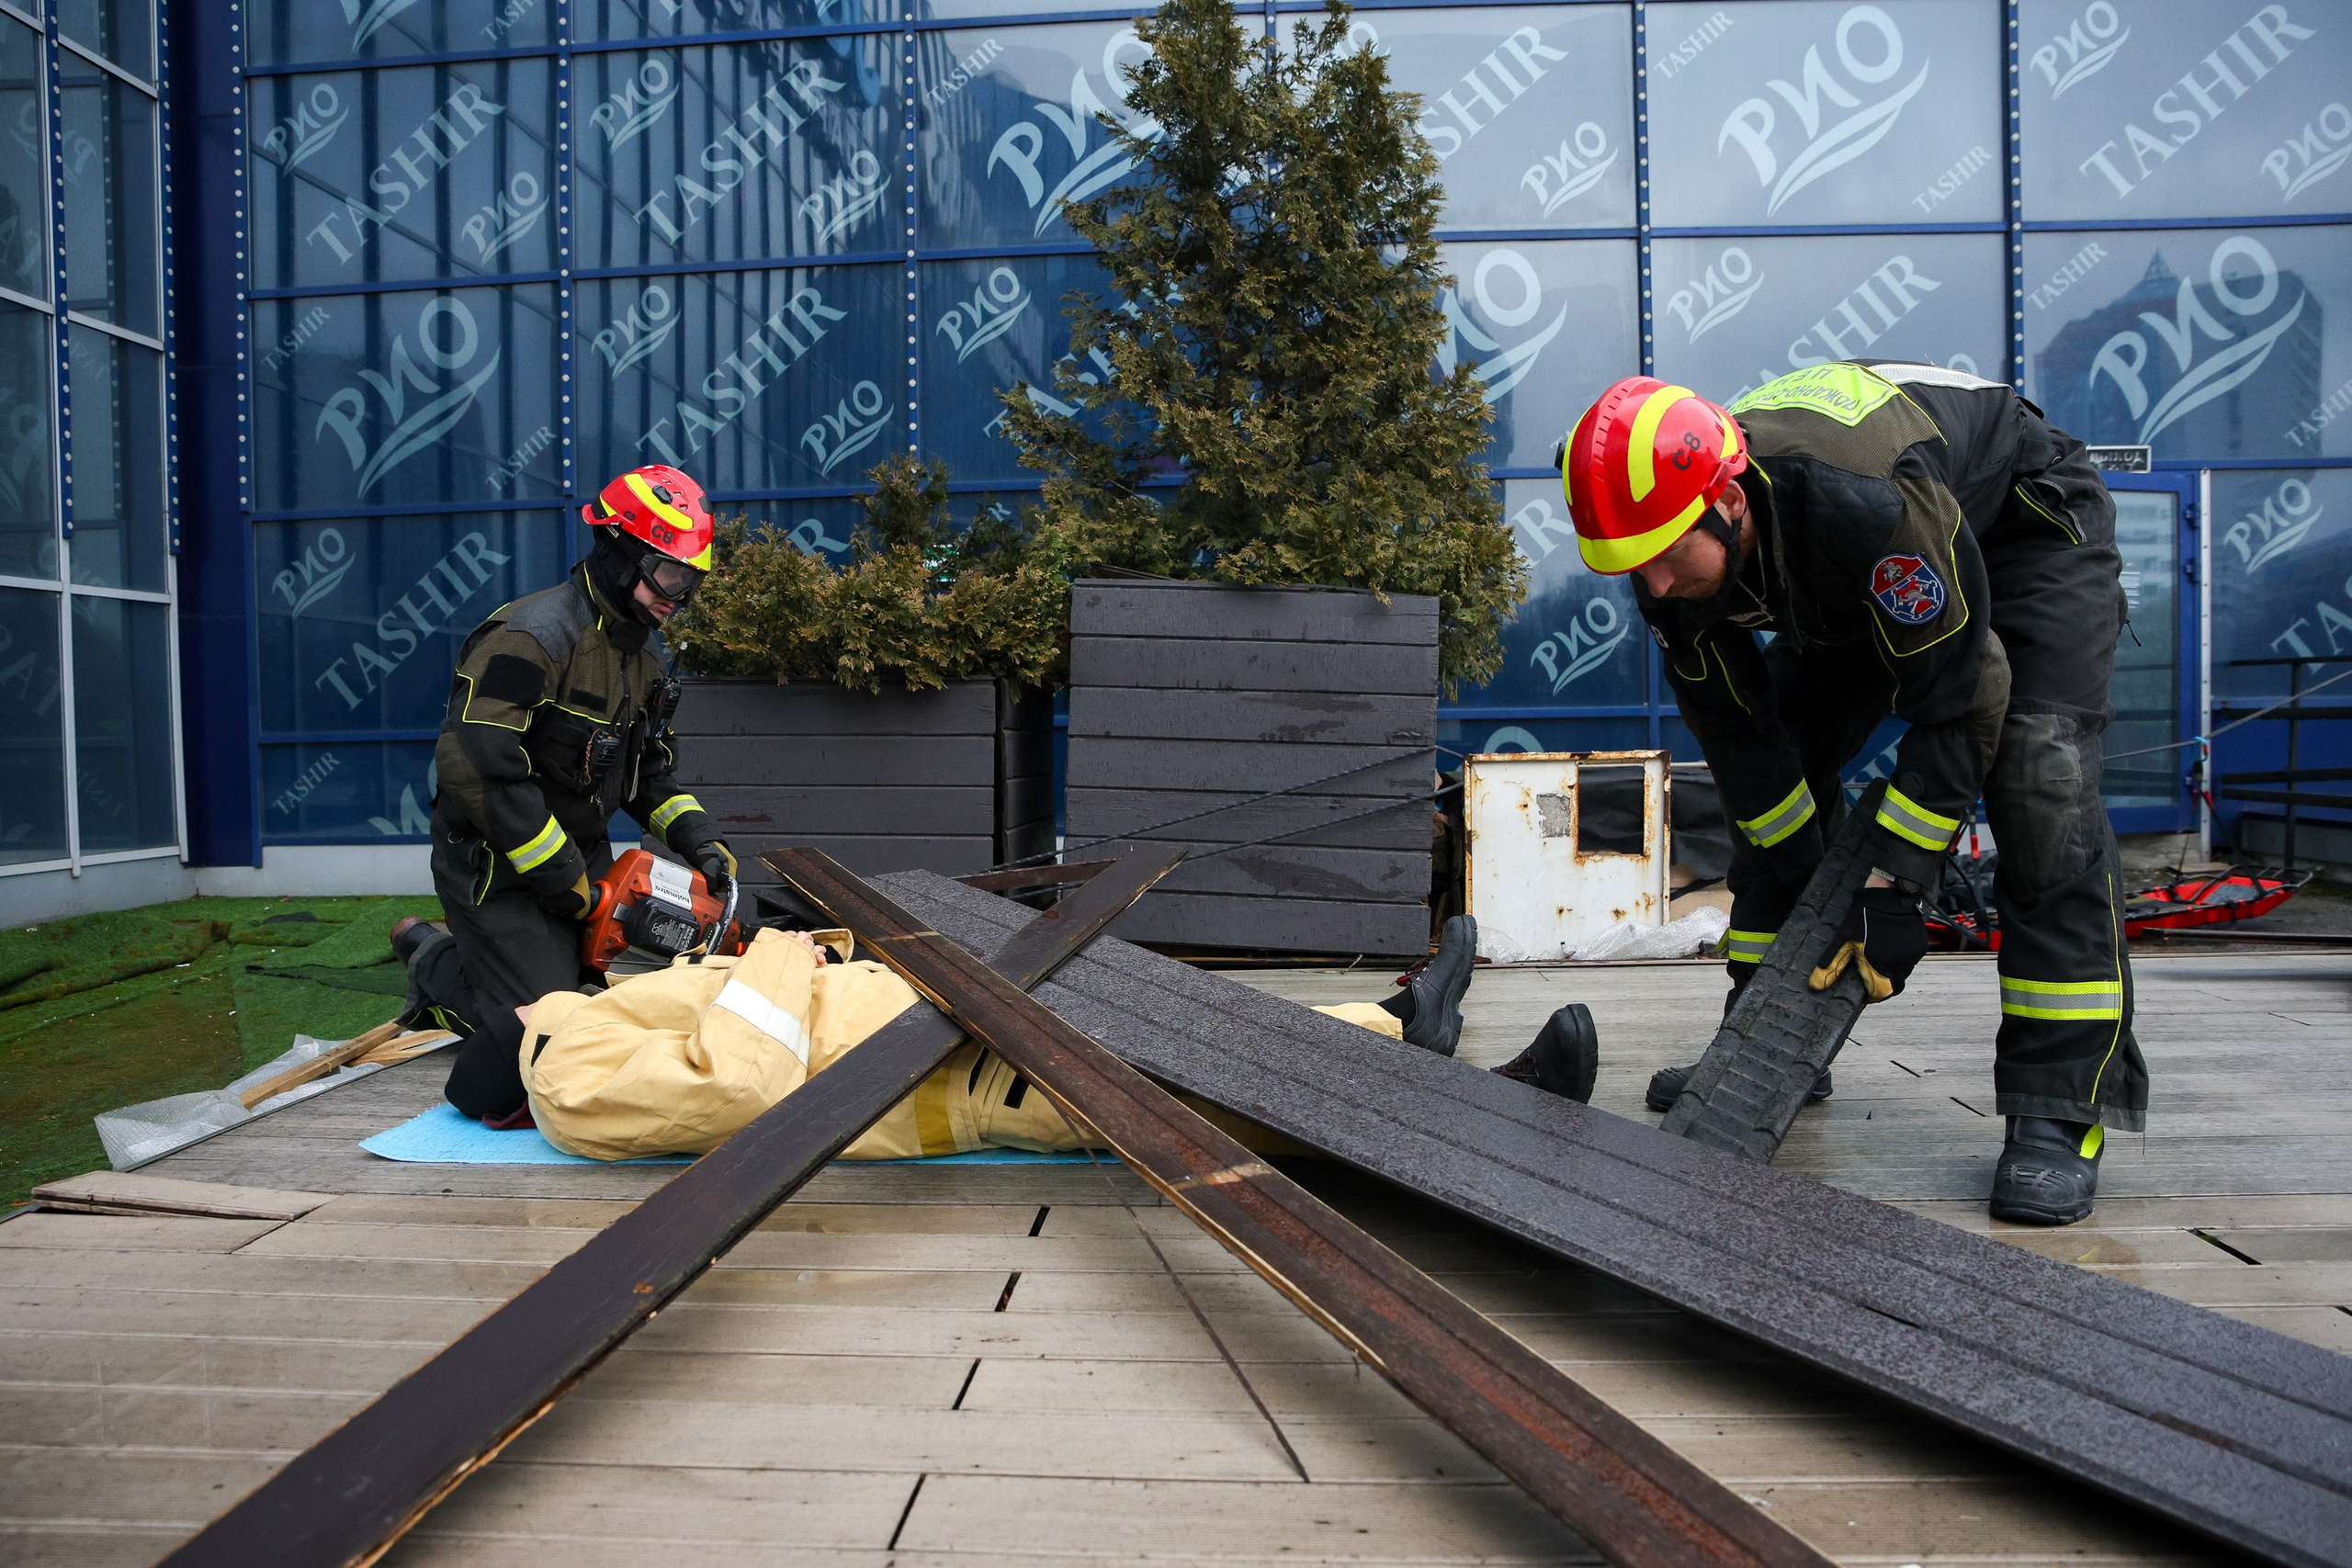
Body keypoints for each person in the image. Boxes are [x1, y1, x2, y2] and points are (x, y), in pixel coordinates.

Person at [1557, 363, 2143, 1225]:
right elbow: (1745, 752)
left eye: (1668, 559)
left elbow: (1964, 693)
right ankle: (1767, 1031)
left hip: (2024, 527)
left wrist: (1891, 886)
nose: (1655, 588)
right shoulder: (1665, 549)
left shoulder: (1865, 505)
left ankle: (2059, 1106)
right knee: (1785, 762)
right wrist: (1806, 915)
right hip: (1843, 574)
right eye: (1633, 567)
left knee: (2035, 775)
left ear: (1728, 502)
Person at [511, 915, 1494, 1160]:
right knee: (1172, 1101)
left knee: (1178, 1028)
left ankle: (1399, 1026)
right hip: (919, 1083)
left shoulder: (582, 1022)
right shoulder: (567, 1079)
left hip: (920, 1025)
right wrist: (779, 956)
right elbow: (740, 1087)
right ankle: (1429, 1078)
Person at [392, 464, 739, 1122]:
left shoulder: (644, 661)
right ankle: (434, 963)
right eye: (670, 575)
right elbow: (477, 770)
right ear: (618, 552)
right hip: (495, 869)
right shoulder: (533, 638)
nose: (679, 596)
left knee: (629, 997)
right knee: (551, 1026)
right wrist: (566, 880)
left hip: (578, 865)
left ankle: (517, 958)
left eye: (691, 581)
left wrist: (702, 840)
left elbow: (649, 776)